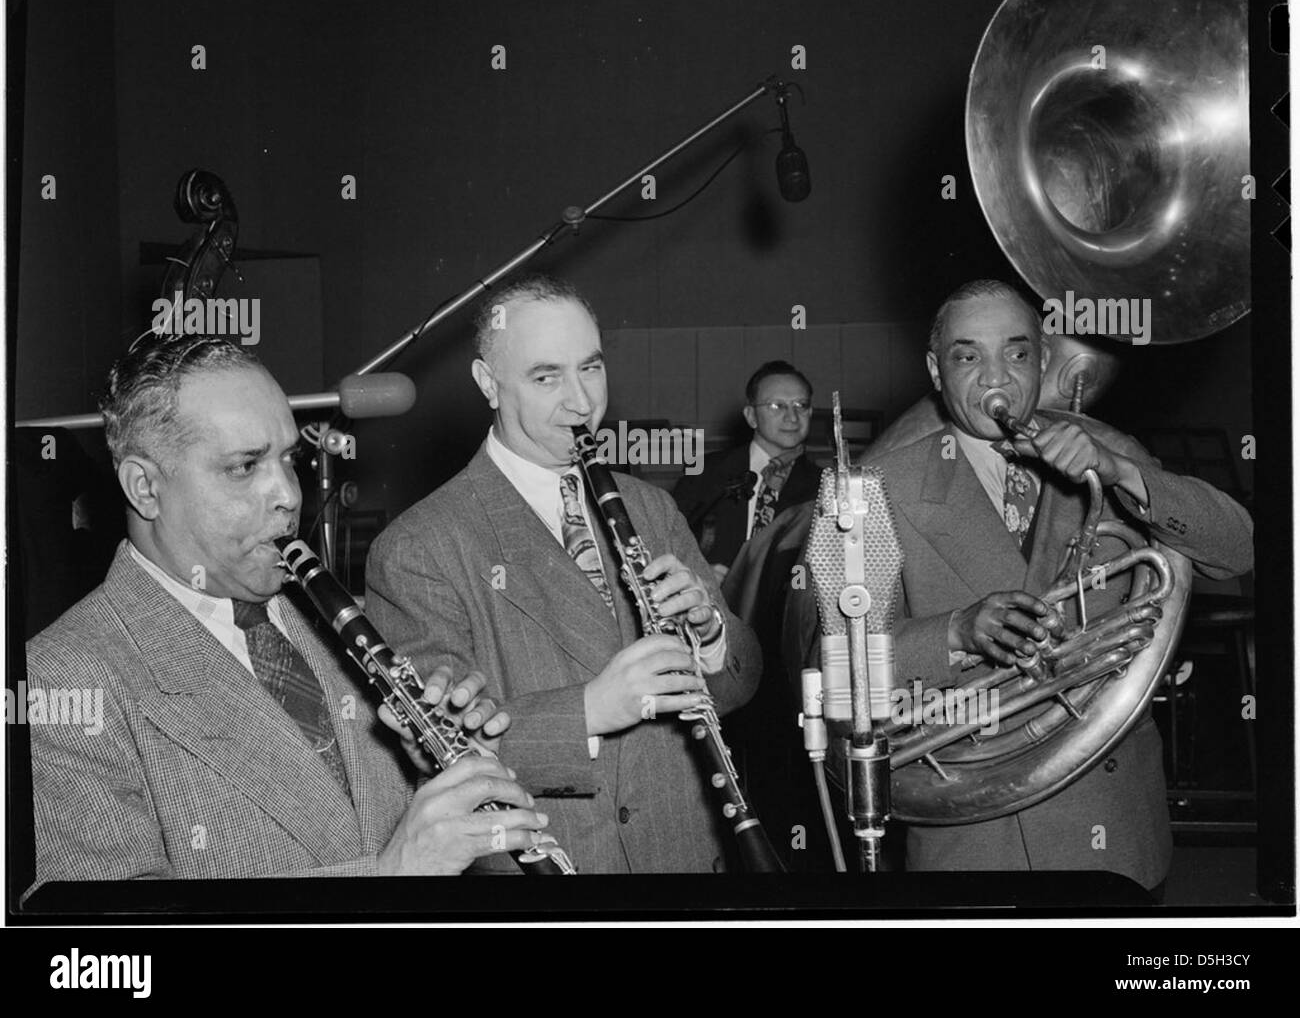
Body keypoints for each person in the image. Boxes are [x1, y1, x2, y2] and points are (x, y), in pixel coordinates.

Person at [24, 335, 550, 891]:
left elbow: (364, 822)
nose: (287, 495)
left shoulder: (332, 617)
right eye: (244, 467)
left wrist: (426, 771)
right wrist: (392, 874)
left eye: (287, 459)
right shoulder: (64, 678)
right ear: (145, 488)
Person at [793, 279, 1253, 891]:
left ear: (1042, 359)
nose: (995, 380)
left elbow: (1237, 549)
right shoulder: (872, 486)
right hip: (973, 840)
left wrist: (1122, 474)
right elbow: (832, 676)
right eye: (967, 356)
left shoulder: (1109, 450)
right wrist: (955, 631)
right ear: (935, 370)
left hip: (1112, 828)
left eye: (1016, 354)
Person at [365, 274, 763, 874]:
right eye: (546, 376)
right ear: (487, 384)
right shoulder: (419, 546)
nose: (581, 403)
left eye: (592, 368)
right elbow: (435, 746)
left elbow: (740, 681)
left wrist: (709, 638)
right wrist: (590, 711)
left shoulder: (649, 507)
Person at [672, 360, 820, 583]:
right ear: (751, 416)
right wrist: (697, 573)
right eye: (777, 406)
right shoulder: (704, 473)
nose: (792, 416)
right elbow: (665, 539)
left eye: (801, 405)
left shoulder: (825, 485)